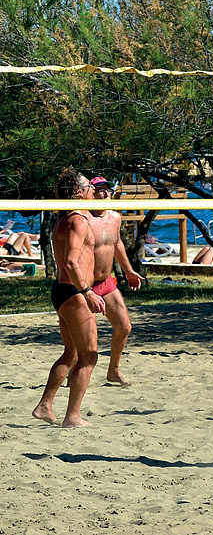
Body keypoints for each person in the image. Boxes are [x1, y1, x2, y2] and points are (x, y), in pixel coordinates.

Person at [32, 168, 106, 428]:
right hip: (74, 292)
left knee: (72, 353)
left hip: (63, 291)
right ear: (78, 192)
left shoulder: (63, 218)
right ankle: (73, 416)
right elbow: (71, 262)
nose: (93, 190)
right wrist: (88, 292)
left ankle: (44, 406)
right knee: (89, 355)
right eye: (88, 187)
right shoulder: (77, 220)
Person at [87, 176, 145, 386]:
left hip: (105, 282)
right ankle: (74, 372)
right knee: (86, 340)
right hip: (84, 285)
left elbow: (117, 243)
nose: (104, 194)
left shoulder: (114, 217)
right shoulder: (83, 218)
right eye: (99, 190)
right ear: (90, 193)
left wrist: (129, 271)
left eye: (107, 190)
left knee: (124, 327)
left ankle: (114, 370)